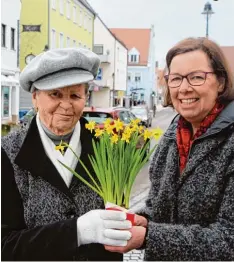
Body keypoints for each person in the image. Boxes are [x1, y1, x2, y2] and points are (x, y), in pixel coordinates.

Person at [105, 37, 234, 260]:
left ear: (221, 82)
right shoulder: (173, 135)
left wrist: (148, 237)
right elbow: (158, 207)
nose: (184, 88)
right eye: (175, 79)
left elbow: (228, 239)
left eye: (196, 77)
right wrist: (141, 219)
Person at [1, 48, 132, 261]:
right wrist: (77, 231)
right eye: (55, 94)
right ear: (35, 98)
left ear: (85, 97)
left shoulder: (106, 147)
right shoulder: (7, 154)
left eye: (75, 95)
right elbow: (4, 246)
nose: (66, 105)